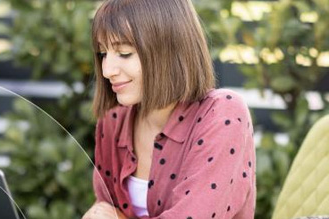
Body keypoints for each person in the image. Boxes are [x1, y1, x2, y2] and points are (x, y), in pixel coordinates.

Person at [83, 0, 256, 218]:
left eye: (124, 53)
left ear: (168, 49)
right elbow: (105, 209)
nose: (107, 70)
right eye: (102, 54)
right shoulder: (114, 119)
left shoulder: (223, 114)